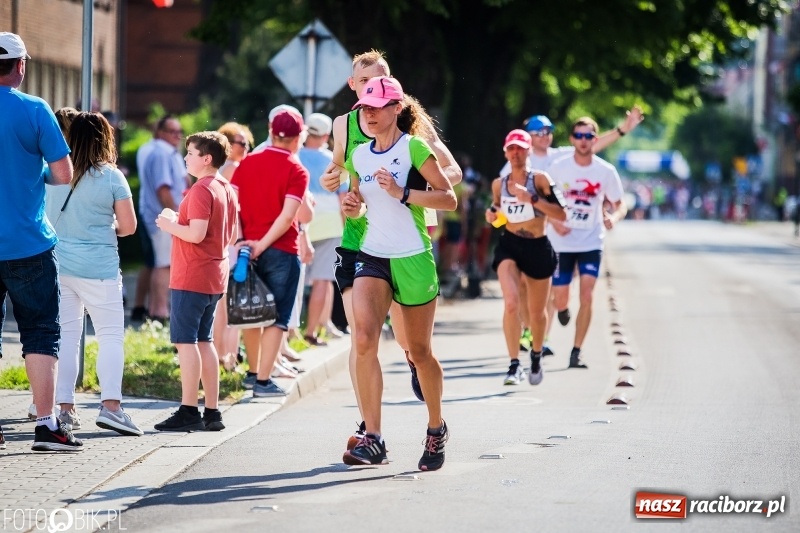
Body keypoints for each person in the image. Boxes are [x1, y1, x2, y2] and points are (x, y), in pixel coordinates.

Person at [319, 50, 462, 450]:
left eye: (377, 96)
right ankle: (372, 433)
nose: (369, 106)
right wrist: (346, 198)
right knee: (362, 338)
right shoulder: (350, 138)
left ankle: (434, 423)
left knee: (416, 348)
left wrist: (406, 190)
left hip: (411, 251)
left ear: (395, 104)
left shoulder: (415, 141)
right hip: (365, 247)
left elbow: (450, 188)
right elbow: (348, 182)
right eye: (364, 95)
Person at [0, 32, 81, 451]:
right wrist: (35, 174)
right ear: (21, 65)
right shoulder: (35, 109)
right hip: (28, 243)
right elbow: (64, 172)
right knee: (40, 332)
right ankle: (47, 426)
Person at [46, 112, 143, 436]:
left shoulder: (55, 174)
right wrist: (104, 224)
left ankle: (65, 409)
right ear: (105, 138)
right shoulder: (112, 177)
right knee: (110, 337)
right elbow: (128, 227)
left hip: (60, 266)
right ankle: (111, 407)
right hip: (99, 269)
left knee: (68, 339)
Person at [154, 131, 238, 431]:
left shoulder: (201, 190)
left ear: (207, 158)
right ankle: (212, 412)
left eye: (190, 152)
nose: (186, 157)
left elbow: (197, 233)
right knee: (205, 341)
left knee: (185, 342)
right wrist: (179, 219)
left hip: (192, 274)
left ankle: (189, 409)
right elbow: (228, 235)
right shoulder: (226, 187)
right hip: (215, 274)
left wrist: (169, 224)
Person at [231, 110, 309, 397]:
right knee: (277, 318)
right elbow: (288, 217)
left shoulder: (246, 163)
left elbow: (234, 207)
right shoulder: (296, 170)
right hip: (282, 250)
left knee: (253, 311)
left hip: (246, 250)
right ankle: (264, 381)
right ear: (298, 136)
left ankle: (253, 374)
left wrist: (244, 240)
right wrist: (263, 244)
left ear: (271, 131)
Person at [485, 130, 567, 386]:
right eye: (511, 149)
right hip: (510, 245)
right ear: (505, 153)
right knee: (511, 303)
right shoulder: (499, 183)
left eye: (521, 148)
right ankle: (513, 364)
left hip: (537, 247)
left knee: (536, 312)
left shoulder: (541, 180)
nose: (516, 153)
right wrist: (492, 216)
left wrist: (532, 198)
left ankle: (536, 354)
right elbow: (498, 212)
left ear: (529, 150)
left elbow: (561, 213)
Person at [546, 117, 627, 369]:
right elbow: (540, 200)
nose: (583, 141)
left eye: (588, 136)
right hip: (560, 242)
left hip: (591, 240)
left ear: (595, 139)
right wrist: (553, 219)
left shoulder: (605, 171)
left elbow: (620, 203)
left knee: (588, 295)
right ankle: (562, 308)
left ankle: (576, 351)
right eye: (578, 136)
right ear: (572, 139)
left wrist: (613, 217)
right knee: (560, 297)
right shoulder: (558, 168)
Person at [299, 113, 346, 345]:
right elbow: (344, 199)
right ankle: (311, 331)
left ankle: (290, 332)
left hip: (299, 221)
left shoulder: (294, 155)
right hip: (329, 224)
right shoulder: (334, 160)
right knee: (323, 280)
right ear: (327, 135)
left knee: (296, 281)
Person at [139, 115, 189, 322]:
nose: (178, 136)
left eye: (180, 131)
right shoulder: (161, 154)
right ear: (160, 132)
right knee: (164, 264)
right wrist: (177, 217)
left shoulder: (168, 153)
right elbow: (163, 190)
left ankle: (155, 309)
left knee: (159, 263)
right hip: (163, 218)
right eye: (172, 131)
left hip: (162, 217)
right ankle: (159, 312)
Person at [213, 121, 253, 371]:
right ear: (227, 145)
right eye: (240, 143)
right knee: (228, 303)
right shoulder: (231, 169)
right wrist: (237, 238)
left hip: (227, 239)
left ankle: (226, 354)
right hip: (231, 240)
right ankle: (225, 356)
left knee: (225, 303)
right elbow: (233, 210)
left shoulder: (226, 169)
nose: (245, 146)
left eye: (247, 142)